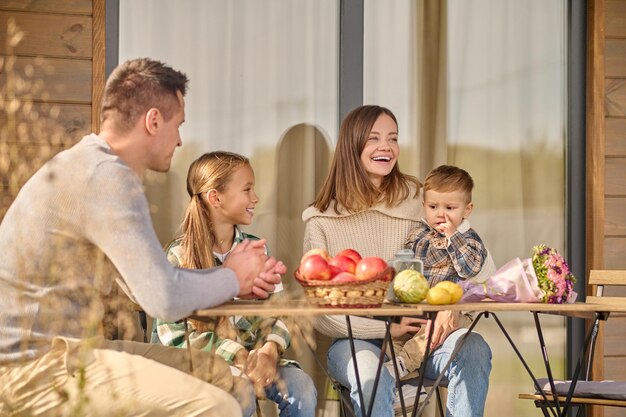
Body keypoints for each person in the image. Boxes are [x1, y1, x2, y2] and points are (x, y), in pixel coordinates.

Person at [0, 58, 284, 417]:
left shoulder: (95, 167)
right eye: (178, 125)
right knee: (217, 407)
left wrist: (234, 283)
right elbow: (163, 299)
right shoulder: (104, 177)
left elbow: (144, 287)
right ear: (153, 121)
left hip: (71, 351)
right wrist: (232, 275)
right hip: (33, 370)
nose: (181, 140)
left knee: (224, 377)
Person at [302, 105, 493, 417]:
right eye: (374, 138)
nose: (386, 147)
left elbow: (480, 267)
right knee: (370, 376)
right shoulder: (321, 221)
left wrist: (455, 307)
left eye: (393, 138)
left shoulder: (419, 200)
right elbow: (320, 314)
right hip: (355, 342)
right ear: (352, 146)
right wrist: (386, 332)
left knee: (473, 350)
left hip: (423, 337)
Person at [153, 151, 316, 417]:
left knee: (302, 388)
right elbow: (175, 336)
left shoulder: (255, 249)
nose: (256, 198)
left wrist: (270, 350)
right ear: (215, 198)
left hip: (259, 360)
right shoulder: (179, 256)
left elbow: (281, 311)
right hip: (204, 368)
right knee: (241, 394)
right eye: (247, 189)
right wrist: (239, 355)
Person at [388, 164, 495, 379]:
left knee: (428, 330)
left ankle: (404, 366)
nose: (441, 215)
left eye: (450, 208)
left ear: (467, 209)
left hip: (453, 315)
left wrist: (452, 238)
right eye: (433, 207)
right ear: (424, 206)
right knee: (398, 335)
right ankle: (402, 380)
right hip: (420, 310)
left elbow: (471, 267)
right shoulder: (419, 234)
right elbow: (408, 267)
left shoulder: (468, 239)